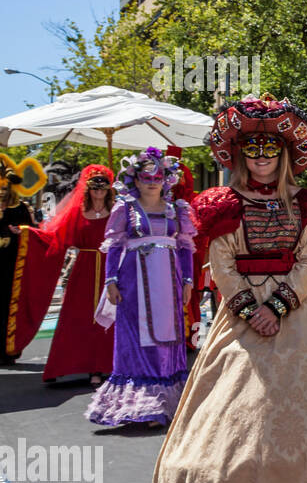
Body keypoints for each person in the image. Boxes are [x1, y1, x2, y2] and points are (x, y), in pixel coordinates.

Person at [151, 94, 307, 483]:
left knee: (281, 423)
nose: (263, 159)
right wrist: (253, 310)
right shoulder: (223, 204)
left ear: (286, 155)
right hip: (241, 320)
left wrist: (280, 307)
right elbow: (223, 262)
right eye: (253, 151)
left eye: (271, 151)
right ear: (239, 156)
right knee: (238, 418)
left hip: (296, 320)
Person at [86, 149, 195, 428]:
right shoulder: (125, 207)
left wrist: (188, 281)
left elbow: (184, 248)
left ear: (166, 179)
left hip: (169, 282)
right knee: (136, 337)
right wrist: (111, 280)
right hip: (134, 281)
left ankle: (164, 402)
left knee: (167, 339)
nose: (152, 182)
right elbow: (115, 246)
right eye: (146, 177)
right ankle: (140, 405)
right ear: (136, 179)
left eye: (158, 176)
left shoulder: (177, 209)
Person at [22, 165, 117, 384]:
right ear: (88, 189)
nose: (99, 191)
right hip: (83, 270)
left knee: (108, 316)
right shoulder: (77, 213)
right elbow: (54, 238)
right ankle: (64, 365)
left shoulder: (117, 213)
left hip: (110, 268)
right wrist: (28, 232)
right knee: (78, 317)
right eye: (95, 187)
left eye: (103, 186)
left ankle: (101, 366)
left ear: (109, 189)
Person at [1, 164, 38, 364]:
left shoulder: (20, 208)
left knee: (9, 307)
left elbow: (33, 231)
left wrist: (21, 230)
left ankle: (8, 351)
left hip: (12, 267)